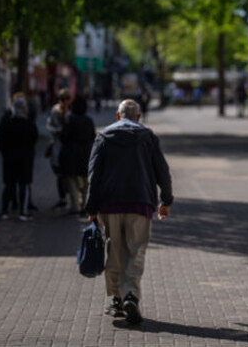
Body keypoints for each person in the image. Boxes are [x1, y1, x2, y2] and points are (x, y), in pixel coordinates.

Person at [85, 99, 173, 326]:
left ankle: (116, 299)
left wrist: (91, 207)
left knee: (114, 248)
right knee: (136, 250)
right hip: (140, 202)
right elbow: (162, 170)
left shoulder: (103, 137)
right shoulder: (148, 137)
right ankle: (131, 295)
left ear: (117, 115)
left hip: (110, 203)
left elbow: (93, 175)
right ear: (139, 117)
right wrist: (166, 199)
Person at [0, 96, 38, 220]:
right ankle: (23, 212)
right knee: (23, 185)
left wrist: (4, 152)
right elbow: (34, 139)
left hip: (9, 158)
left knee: (9, 184)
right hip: (25, 158)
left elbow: (1, 141)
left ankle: (4, 211)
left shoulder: (6, 122)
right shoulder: (28, 123)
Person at [59, 95, 95, 215]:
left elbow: (64, 137)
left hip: (71, 153)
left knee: (72, 179)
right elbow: (93, 137)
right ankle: (85, 204)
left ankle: (75, 206)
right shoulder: (89, 120)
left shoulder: (70, 120)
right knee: (85, 181)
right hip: (86, 153)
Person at [45, 89, 72, 210]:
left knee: (62, 174)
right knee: (64, 174)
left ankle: (65, 198)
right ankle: (68, 199)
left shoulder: (64, 110)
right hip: (65, 146)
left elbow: (49, 126)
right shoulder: (60, 111)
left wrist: (56, 131)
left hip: (61, 145)